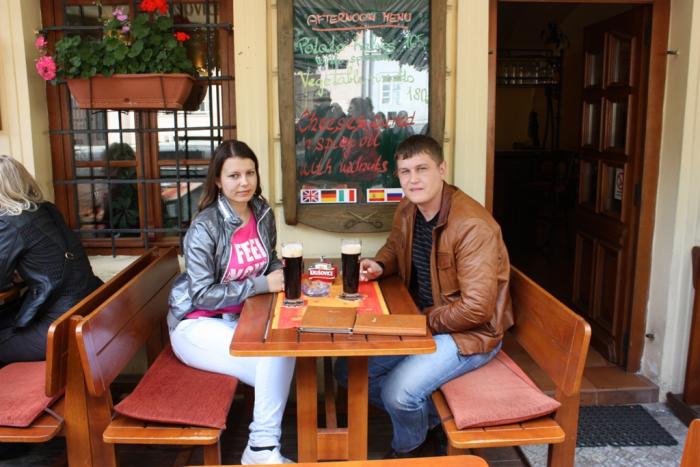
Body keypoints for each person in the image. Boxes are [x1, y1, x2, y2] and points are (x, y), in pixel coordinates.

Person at [335, 135, 514, 458]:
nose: (413, 179)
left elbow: (477, 310)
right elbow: (395, 246)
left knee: (398, 393)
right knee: (347, 371)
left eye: (422, 169)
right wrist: (380, 264)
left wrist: (420, 322)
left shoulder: (472, 226)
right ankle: (432, 422)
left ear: (442, 169)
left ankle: (411, 450)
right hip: (426, 322)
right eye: (405, 172)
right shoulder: (410, 207)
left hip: (471, 334)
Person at [167, 140, 295, 465]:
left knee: (285, 349)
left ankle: (261, 449)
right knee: (275, 359)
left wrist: (282, 272)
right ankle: (261, 450)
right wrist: (262, 284)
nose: (244, 182)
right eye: (234, 175)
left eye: (250, 173)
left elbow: (268, 260)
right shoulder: (205, 227)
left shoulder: (262, 212)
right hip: (196, 325)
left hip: (242, 322)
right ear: (218, 180)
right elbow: (201, 294)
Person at [0, 155, 103, 366]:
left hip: (59, 323)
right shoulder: (47, 210)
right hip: (83, 308)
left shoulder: (10, 222)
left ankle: (18, 388)